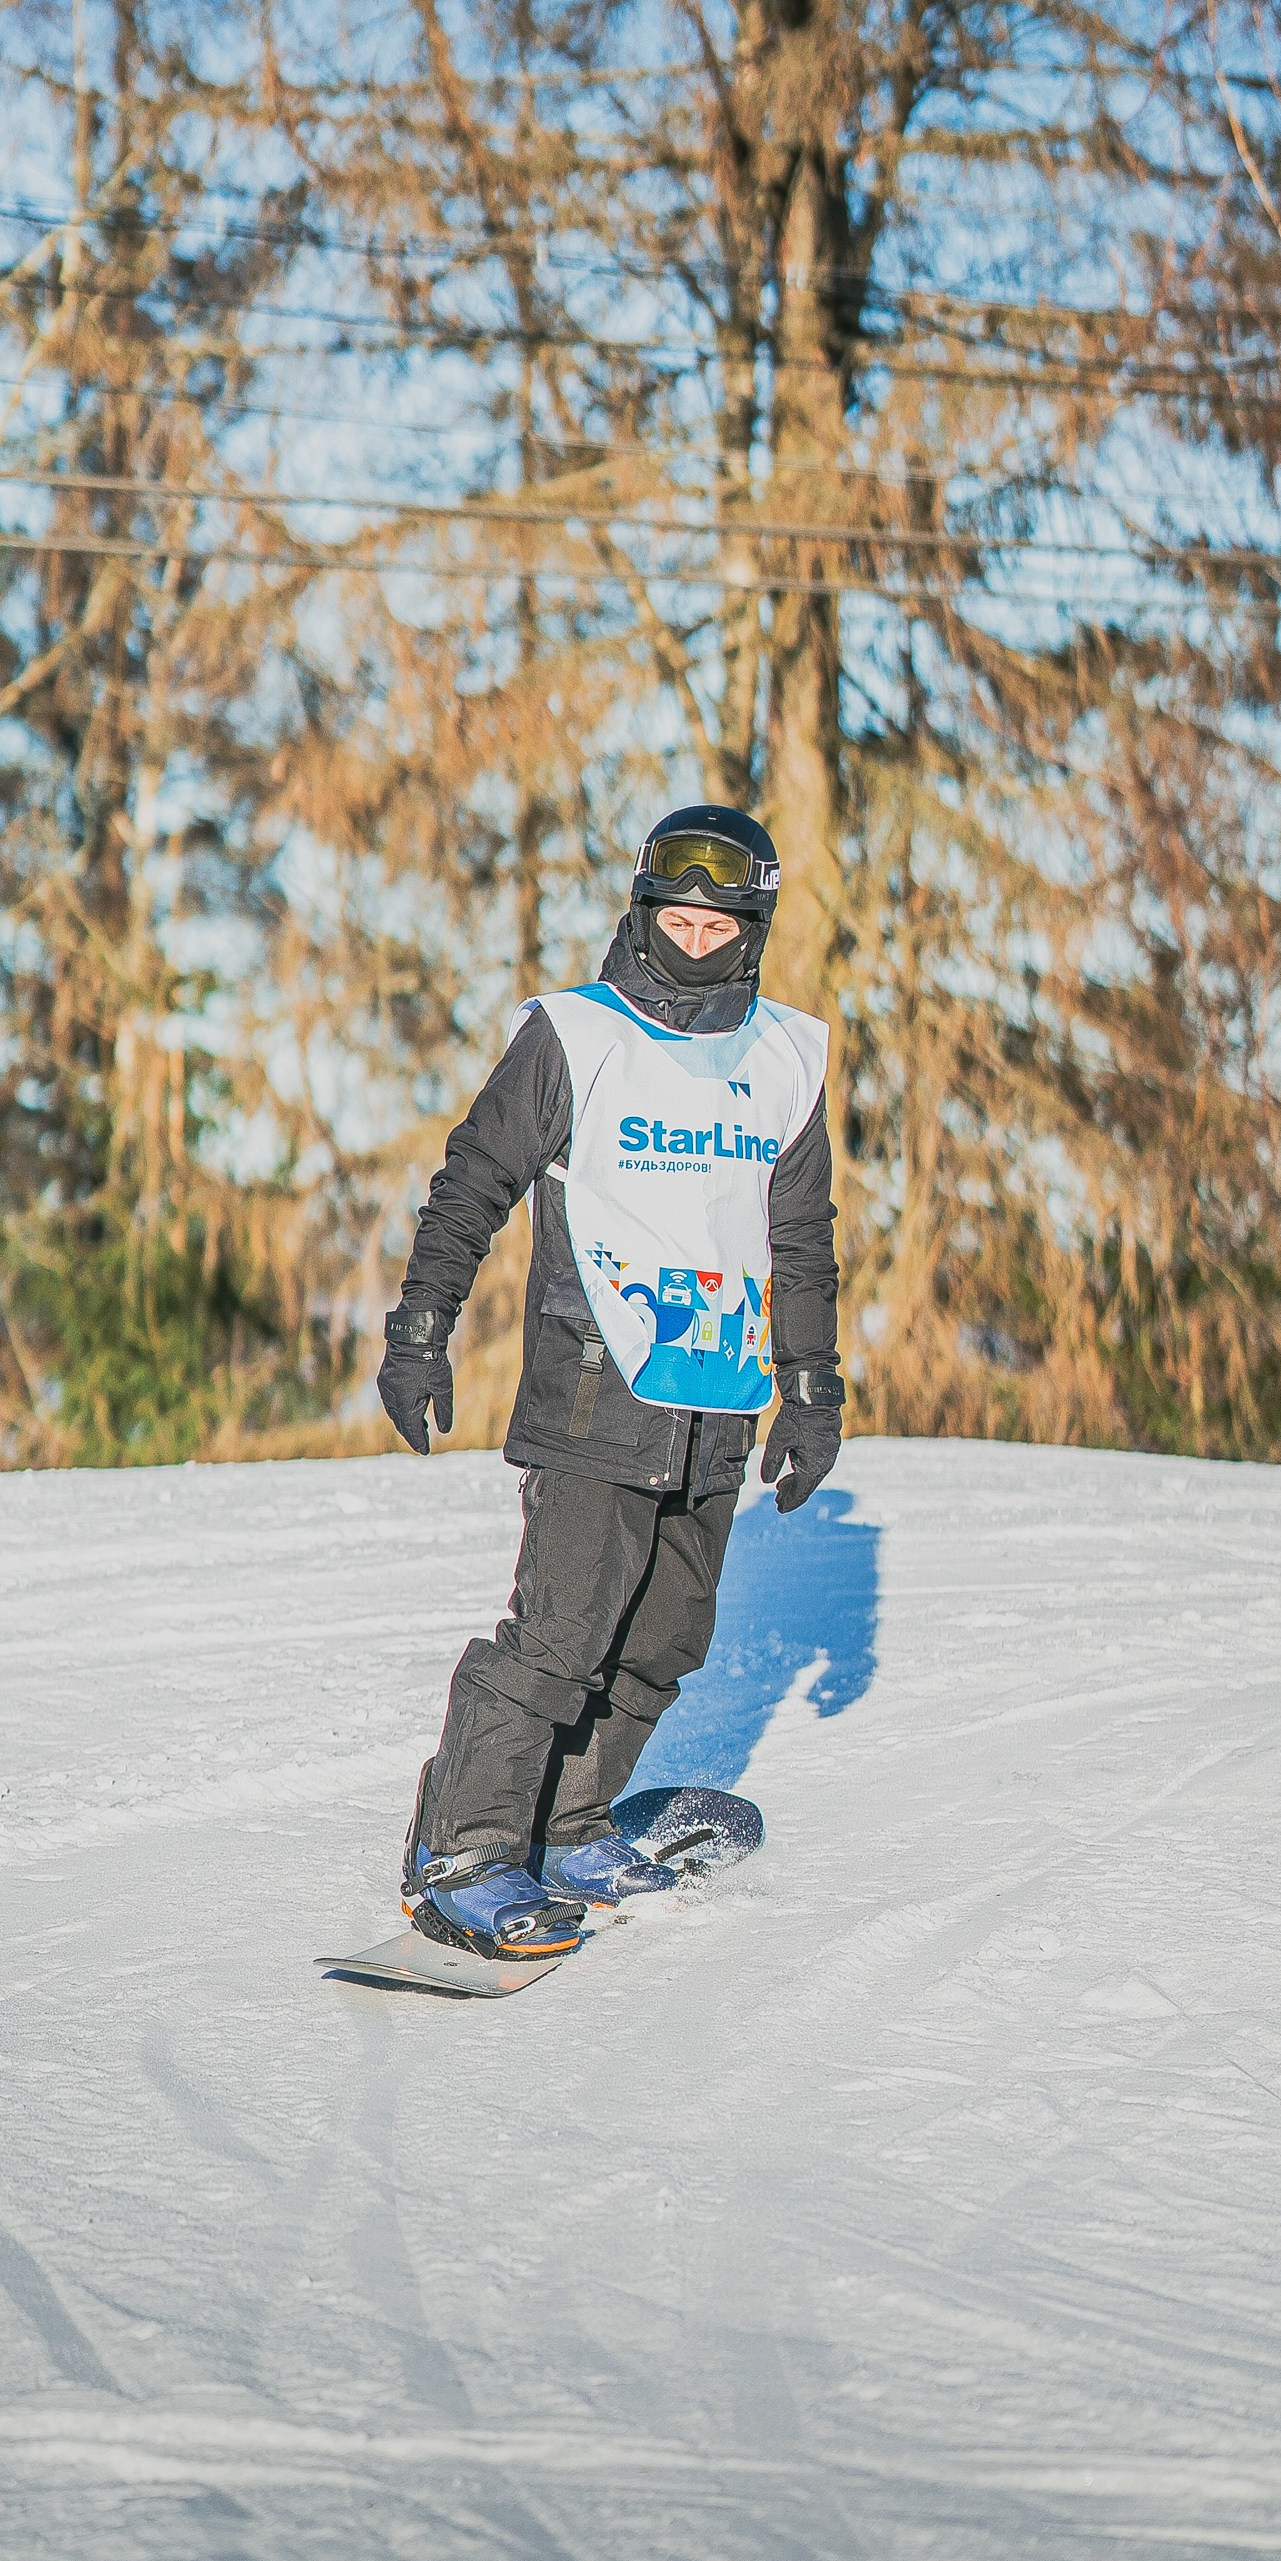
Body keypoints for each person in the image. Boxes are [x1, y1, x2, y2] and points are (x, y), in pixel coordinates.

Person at [375, 804, 844, 1960]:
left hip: (720, 1403)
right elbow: (470, 1185)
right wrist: (421, 1329)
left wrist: (813, 1387)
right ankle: (465, 1851)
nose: (691, 941)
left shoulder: (789, 1053)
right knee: (558, 1636)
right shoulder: (575, 1037)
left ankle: (573, 1824)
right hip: (594, 1390)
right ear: (643, 914)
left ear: (751, 929)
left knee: (664, 1639)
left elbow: (801, 1237)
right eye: (673, 918)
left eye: (714, 924)